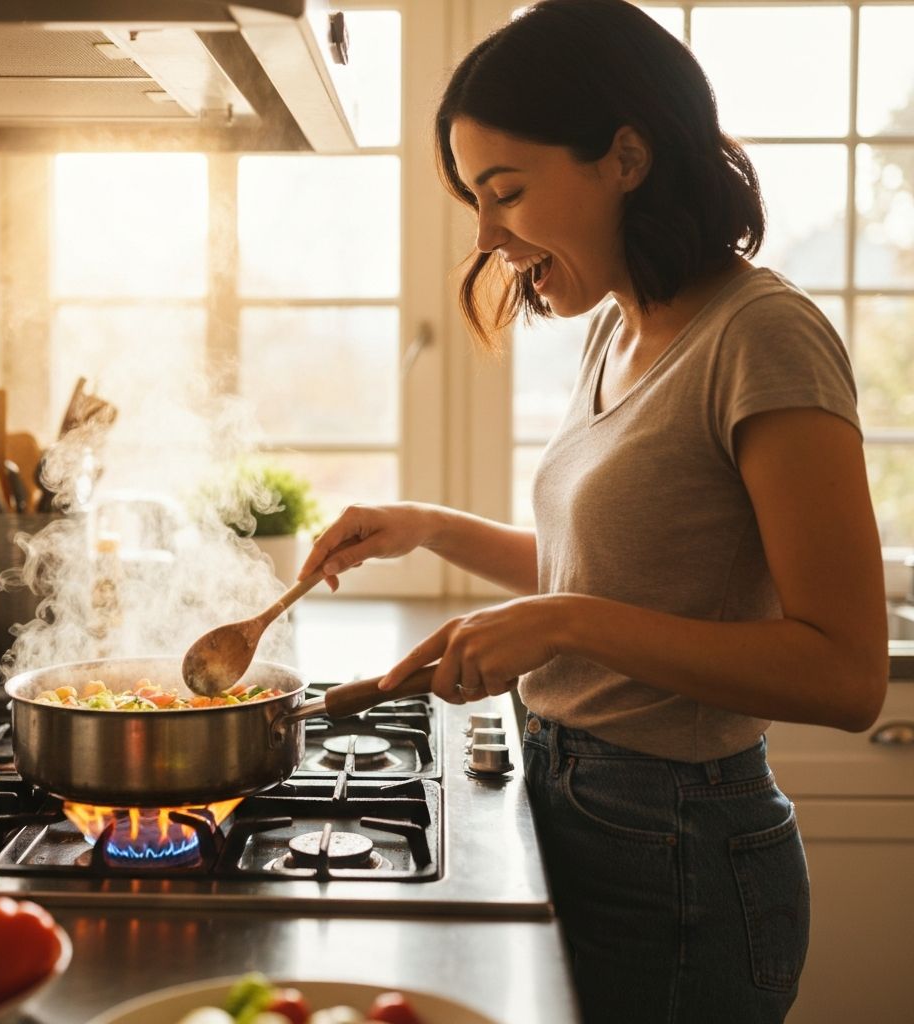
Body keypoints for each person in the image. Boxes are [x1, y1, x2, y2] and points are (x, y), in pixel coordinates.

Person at [298, 1, 888, 1021]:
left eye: (506, 192)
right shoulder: (617, 327)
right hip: (576, 805)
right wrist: (430, 523)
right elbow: (616, 576)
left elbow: (845, 672)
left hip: (682, 853)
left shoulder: (761, 336)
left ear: (625, 156)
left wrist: (564, 625)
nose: (487, 235)